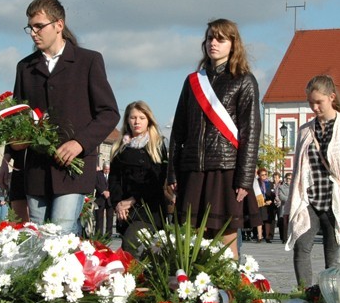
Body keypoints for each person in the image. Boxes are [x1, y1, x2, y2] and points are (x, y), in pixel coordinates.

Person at [12, 0, 120, 234]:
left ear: (59, 25)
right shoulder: (25, 67)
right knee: (35, 237)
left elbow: (109, 113)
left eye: (39, 26)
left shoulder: (88, 61)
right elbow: (17, 121)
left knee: (61, 234)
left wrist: (79, 143)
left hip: (73, 169)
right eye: (30, 27)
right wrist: (8, 161)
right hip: (36, 172)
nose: (33, 32)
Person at [168, 18, 261, 258]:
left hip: (226, 169)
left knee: (226, 241)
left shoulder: (244, 81)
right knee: (190, 241)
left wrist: (244, 178)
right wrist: (172, 172)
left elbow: (250, 133)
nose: (214, 43)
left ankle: (230, 292)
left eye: (221, 39)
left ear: (233, 44)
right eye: (210, 38)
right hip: (193, 170)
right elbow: (178, 131)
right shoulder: (192, 82)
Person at [283, 75, 340, 287]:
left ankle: (330, 300)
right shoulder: (305, 130)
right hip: (309, 199)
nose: (314, 107)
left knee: (333, 254)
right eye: (311, 102)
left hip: (334, 199)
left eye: (319, 102)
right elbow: (297, 172)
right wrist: (290, 206)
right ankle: (304, 296)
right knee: (301, 247)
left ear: (331, 97)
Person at [109, 101, 167, 257]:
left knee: (131, 244)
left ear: (149, 119)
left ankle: (132, 278)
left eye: (142, 117)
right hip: (126, 212)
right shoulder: (119, 147)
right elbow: (114, 179)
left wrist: (133, 199)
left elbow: (157, 179)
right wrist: (118, 204)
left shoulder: (157, 144)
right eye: (133, 117)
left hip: (149, 210)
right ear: (127, 120)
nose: (137, 122)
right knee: (136, 252)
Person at [256, 167, 276, 243]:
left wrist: (271, 200)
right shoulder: (256, 183)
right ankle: (260, 236)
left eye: (265, 174)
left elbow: (273, 193)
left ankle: (267, 237)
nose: (264, 176)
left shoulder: (270, 183)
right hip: (259, 203)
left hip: (268, 203)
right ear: (259, 175)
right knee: (259, 220)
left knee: (268, 220)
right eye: (262, 175)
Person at [94, 162, 113, 237]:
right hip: (100, 199)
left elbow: (115, 185)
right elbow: (95, 184)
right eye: (105, 169)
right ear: (103, 168)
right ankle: (98, 235)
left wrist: (109, 192)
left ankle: (108, 235)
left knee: (110, 217)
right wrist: (103, 191)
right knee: (99, 218)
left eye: (108, 169)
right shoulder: (98, 174)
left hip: (110, 199)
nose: (107, 171)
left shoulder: (112, 175)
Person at [277, 173, 292, 244]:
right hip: (285, 208)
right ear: (285, 179)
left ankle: (291, 238)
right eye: (288, 178)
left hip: (293, 208)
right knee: (285, 224)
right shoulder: (281, 187)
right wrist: (290, 199)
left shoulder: (294, 186)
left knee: (292, 223)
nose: (289, 180)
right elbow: (281, 196)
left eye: (290, 179)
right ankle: (285, 239)